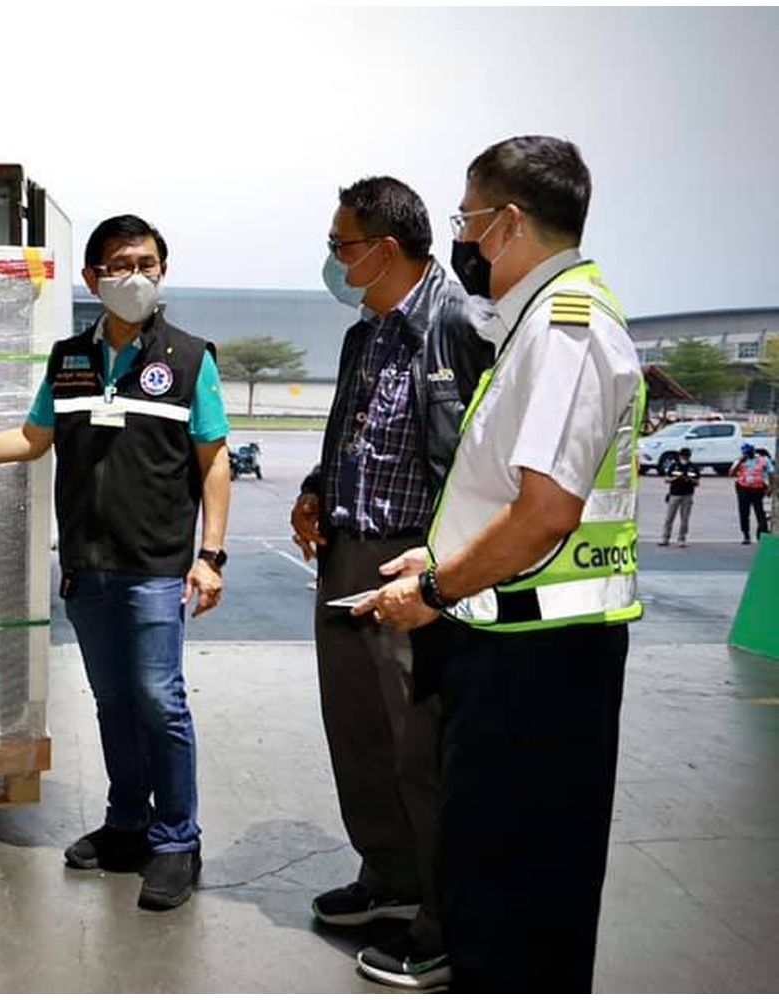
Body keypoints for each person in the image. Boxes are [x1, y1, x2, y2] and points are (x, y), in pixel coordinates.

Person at [358, 136, 645, 992]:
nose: (466, 240)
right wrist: (439, 552)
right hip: (522, 645)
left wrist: (436, 589)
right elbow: (507, 493)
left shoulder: (565, 330)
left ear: (510, 221)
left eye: (469, 220)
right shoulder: (534, 324)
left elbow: (546, 511)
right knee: (491, 868)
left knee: (522, 888)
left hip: (542, 661)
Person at [0, 215, 230, 911]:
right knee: (113, 705)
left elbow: (213, 458)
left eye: (150, 263)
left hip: (157, 568)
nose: (138, 276)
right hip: (88, 567)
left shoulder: (190, 358)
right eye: (122, 264)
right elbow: (31, 438)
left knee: (160, 702)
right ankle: (128, 822)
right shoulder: (69, 358)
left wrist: (210, 555)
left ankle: (175, 841)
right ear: (92, 277)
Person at [290, 176, 491, 990]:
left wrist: (449, 571)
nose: (335, 261)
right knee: (359, 731)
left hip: (422, 561)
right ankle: (390, 878)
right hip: (349, 551)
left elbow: (485, 460)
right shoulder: (365, 331)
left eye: (342, 245)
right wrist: (314, 486)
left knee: (423, 749)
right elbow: (357, 430)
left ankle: (444, 921)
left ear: (383, 248)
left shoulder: (462, 327)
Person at [659, 446, 700, 546]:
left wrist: (689, 479)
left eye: (686, 456)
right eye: (683, 456)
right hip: (674, 494)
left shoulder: (693, 467)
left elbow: (697, 482)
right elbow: (666, 479)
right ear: (680, 456)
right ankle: (665, 538)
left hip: (687, 495)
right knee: (669, 518)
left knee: (684, 518)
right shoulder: (674, 466)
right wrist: (676, 478)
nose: (684, 458)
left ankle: (682, 538)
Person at [732, 443, 772, 542]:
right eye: (745, 453)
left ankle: (763, 534)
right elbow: (731, 473)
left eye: (749, 453)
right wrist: (739, 462)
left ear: (753, 451)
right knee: (744, 513)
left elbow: (771, 472)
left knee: (759, 512)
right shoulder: (740, 460)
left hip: (758, 489)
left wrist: (770, 487)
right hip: (743, 488)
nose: (747, 455)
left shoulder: (763, 460)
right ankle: (746, 535)